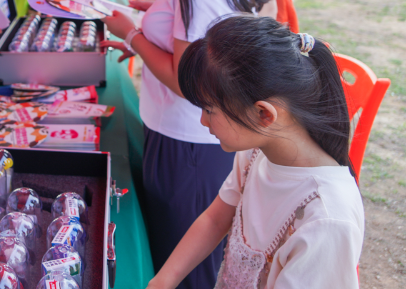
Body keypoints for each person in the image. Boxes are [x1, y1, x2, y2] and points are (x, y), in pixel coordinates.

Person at [102, 0, 269, 288]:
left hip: (188, 145)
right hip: (190, 140)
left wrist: (133, 35)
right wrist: (153, 22)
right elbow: (196, 35)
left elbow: (187, 79)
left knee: (186, 269)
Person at [147, 16, 363, 288]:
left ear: (264, 114)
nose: (203, 121)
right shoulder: (256, 153)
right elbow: (214, 220)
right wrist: (162, 281)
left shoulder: (326, 221)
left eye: (209, 110)